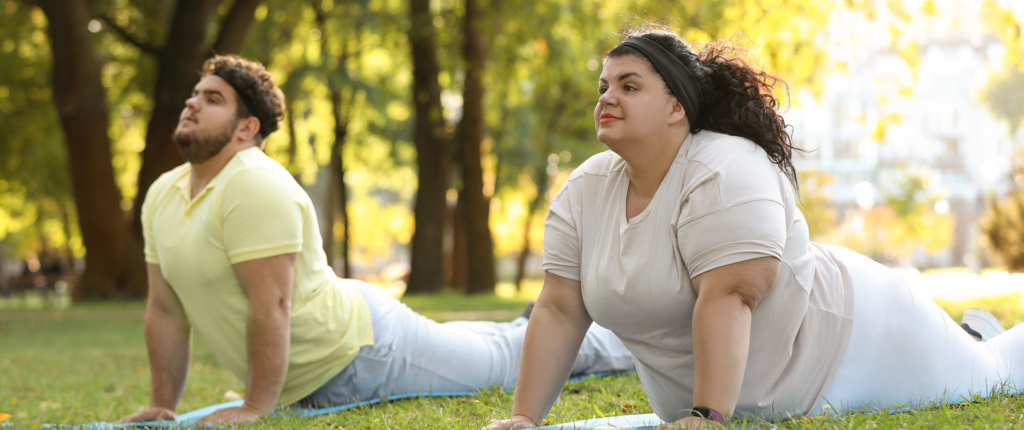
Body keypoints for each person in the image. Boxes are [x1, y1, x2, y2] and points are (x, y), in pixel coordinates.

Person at [484, 28, 1024, 430]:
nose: (606, 98)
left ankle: (983, 342)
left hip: (861, 342)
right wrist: (525, 419)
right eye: (604, 86)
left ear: (676, 107)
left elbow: (731, 295)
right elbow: (559, 308)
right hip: (735, 401)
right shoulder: (585, 190)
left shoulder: (724, 168)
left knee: (991, 371)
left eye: (629, 86)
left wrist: (706, 415)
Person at [114, 55, 634, 426]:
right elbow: (164, 310)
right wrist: (164, 405)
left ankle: (637, 343)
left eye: (212, 99)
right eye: (193, 95)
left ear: (247, 127)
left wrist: (254, 408)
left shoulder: (250, 181)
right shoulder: (165, 192)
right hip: (348, 338)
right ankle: (525, 323)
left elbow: (270, 303)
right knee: (493, 344)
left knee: (505, 360)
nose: (191, 104)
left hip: (361, 354)